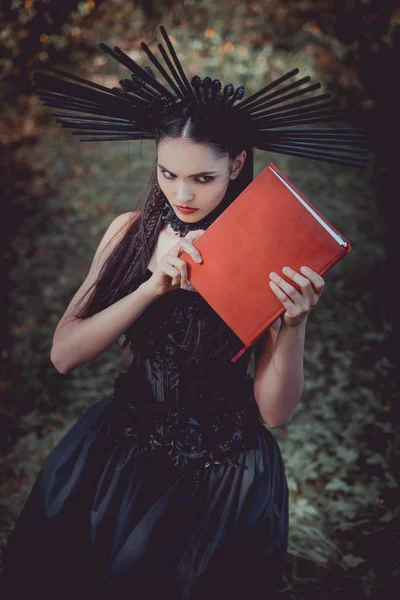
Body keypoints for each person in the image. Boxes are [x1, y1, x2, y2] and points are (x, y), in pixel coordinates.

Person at [0, 24, 364, 600]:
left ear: (238, 163)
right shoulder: (128, 232)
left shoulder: (263, 257)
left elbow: (274, 413)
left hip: (222, 473)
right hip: (120, 453)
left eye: (203, 177)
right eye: (168, 173)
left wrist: (294, 326)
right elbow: (64, 354)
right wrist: (152, 286)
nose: (182, 193)